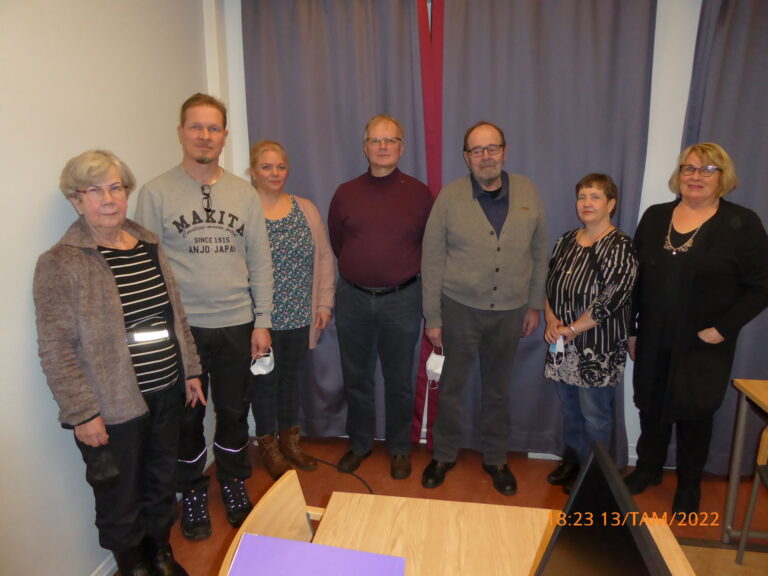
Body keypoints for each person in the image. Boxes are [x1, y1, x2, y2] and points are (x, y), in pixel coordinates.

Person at [34, 150, 204, 576]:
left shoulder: (148, 244)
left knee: (161, 482)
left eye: (116, 187)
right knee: (118, 496)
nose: (108, 199)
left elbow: (175, 314)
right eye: (95, 190)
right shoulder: (59, 262)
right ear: (76, 200)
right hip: (111, 408)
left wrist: (190, 369)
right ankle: (133, 566)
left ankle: (160, 553)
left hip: (166, 391)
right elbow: (56, 347)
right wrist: (82, 412)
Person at [135, 93, 274, 540]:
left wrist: (262, 320)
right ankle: (192, 490)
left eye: (213, 128)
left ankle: (232, 481)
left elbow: (260, 260)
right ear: (181, 132)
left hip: (236, 324)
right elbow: (148, 268)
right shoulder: (155, 193)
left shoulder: (244, 193)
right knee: (186, 418)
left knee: (234, 412)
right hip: (184, 331)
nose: (205, 135)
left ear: (224, 136)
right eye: (196, 126)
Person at [626, 142, 768, 513]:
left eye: (707, 169)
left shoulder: (742, 223)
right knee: (651, 406)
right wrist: (632, 330)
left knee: (695, 413)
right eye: (689, 168)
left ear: (723, 177)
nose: (695, 176)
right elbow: (634, 279)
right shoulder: (656, 216)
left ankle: (689, 485)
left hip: (704, 341)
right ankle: (648, 469)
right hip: (653, 334)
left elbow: (762, 286)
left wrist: (724, 328)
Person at [421, 121, 548, 495]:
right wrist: (434, 317)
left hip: (511, 310)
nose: (486, 156)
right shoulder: (449, 197)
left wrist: (534, 304)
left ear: (504, 151)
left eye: (492, 148)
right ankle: (444, 454)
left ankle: (495, 458)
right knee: (452, 388)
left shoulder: (528, 191)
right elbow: (432, 259)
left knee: (498, 390)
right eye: (477, 150)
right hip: (459, 308)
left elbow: (540, 252)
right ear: (467, 157)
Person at [328, 114, 434, 479]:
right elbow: (338, 243)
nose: (383, 146)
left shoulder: (419, 194)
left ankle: (399, 447)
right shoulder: (345, 193)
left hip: (402, 299)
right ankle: (359, 444)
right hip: (353, 299)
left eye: (390, 140)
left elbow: (430, 247)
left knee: (399, 380)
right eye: (376, 140)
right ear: (365, 148)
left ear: (401, 148)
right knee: (356, 377)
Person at [543, 174, 638, 493]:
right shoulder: (566, 240)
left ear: (611, 204)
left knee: (595, 415)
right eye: (582, 197)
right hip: (562, 342)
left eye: (595, 197)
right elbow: (550, 284)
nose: (586, 203)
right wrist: (551, 321)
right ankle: (572, 461)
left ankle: (593, 473)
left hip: (598, 347)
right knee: (570, 408)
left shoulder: (620, 245)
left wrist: (572, 329)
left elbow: (611, 299)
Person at [247, 140, 335, 479]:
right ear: (253, 171)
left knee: (291, 382)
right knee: (264, 385)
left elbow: (324, 257)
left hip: (299, 316)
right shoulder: (245, 210)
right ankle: (268, 446)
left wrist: (323, 303)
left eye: (280, 166)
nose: (275, 173)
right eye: (266, 167)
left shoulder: (305, 209)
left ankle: (290, 441)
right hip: (260, 322)